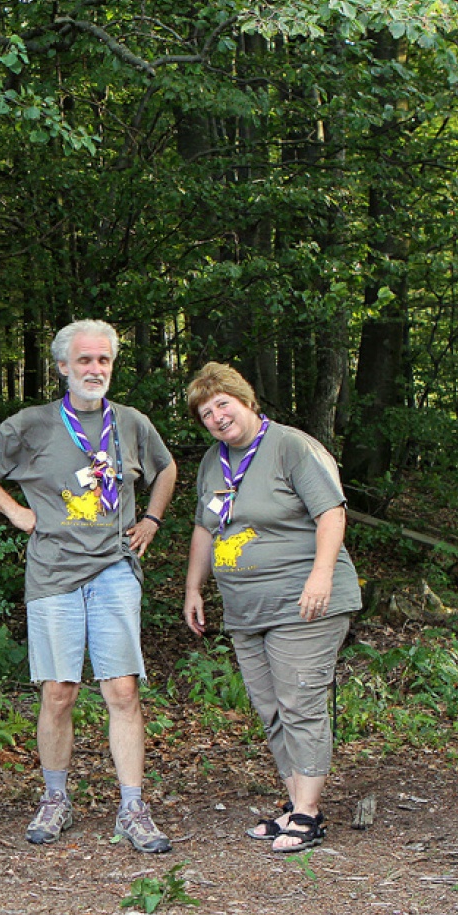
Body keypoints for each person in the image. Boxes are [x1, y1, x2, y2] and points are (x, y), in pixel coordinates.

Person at [0, 319, 177, 853]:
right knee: (59, 692)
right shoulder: (33, 424)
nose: (94, 369)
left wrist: (151, 518)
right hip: (53, 573)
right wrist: (14, 511)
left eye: (103, 360)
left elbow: (166, 469)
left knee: (121, 690)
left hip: (114, 569)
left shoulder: (130, 422)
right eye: (84, 361)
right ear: (63, 367)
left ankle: (132, 807)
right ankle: (56, 799)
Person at [182, 362, 361, 853]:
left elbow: (331, 512)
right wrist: (193, 587)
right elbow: (205, 527)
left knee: (299, 702)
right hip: (245, 608)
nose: (217, 417)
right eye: (206, 412)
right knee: (270, 707)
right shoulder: (211, 462)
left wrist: (320, 574)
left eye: (224, 405)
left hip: (302, 601)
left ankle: (307, 814)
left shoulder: (291, 446)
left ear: (247, 402)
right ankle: (297, 803)